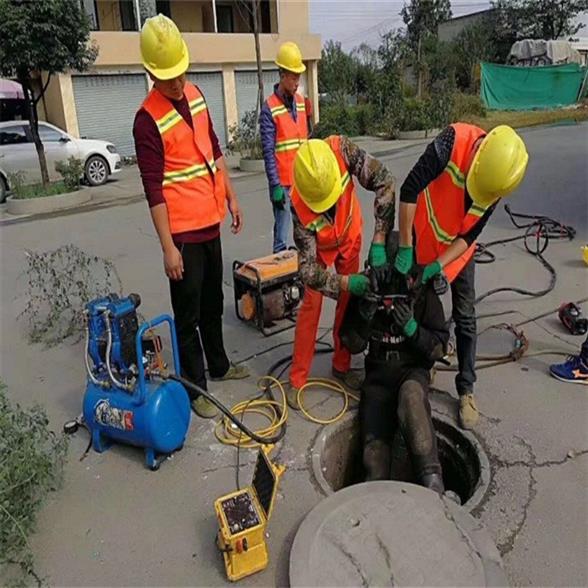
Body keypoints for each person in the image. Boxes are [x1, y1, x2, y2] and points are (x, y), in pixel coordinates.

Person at [133, 15, 248, 419]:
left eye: (181, 74)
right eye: (168, 79)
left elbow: (214, 150)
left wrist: (231, 196)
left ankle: (219, 365)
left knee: (214, 302)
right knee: (188, 315)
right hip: (181, 233)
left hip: (210, 223)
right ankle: (196, 385)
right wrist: (167, 248)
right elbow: (153, 188)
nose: (178, 84)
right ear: (151, 73)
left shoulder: (197, 94)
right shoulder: (146, 120)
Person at [393, 124, 528, 429]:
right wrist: (405, 246)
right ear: (478, 156)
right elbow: (409, 188)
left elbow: (469, 236)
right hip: (423, 236)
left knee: (465, 316)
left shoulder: (495, 185)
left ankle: (466, 388)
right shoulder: (451, 143)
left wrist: (439, 266)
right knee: (419, 303)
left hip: (457, 251)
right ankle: (422, 365)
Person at [288, 136, 396, 409]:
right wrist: (345, 282)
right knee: (310, 307)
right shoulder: (299, 202)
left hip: (349, 237)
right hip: (320, 252)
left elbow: (385, 180)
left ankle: (341, 366)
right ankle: (297, 379)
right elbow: (308, 271)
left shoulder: (344, 151)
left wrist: (380, 237)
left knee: (347, 305)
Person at [353, 234, 449, 493]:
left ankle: (433, 481)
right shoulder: (369, 289)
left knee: (411, 399)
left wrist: (413, 330)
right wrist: (364, 315)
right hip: (378, 379)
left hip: (411, 371)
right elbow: (351, 344)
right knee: (375, 466)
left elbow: (440, 347)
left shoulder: (421, 291)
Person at [260, 42, 308, 253]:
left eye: (299, 76)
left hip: (301, 180)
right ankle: (278, 277)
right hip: (283, 184)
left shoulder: (301, 102)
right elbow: (268, 151)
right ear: (282, 74)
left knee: (305, 231)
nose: (297, 81)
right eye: (293, 76)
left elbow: (306, 140)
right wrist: (275, 185)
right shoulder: (269, 107)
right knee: (282, 234)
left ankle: (304, 272)